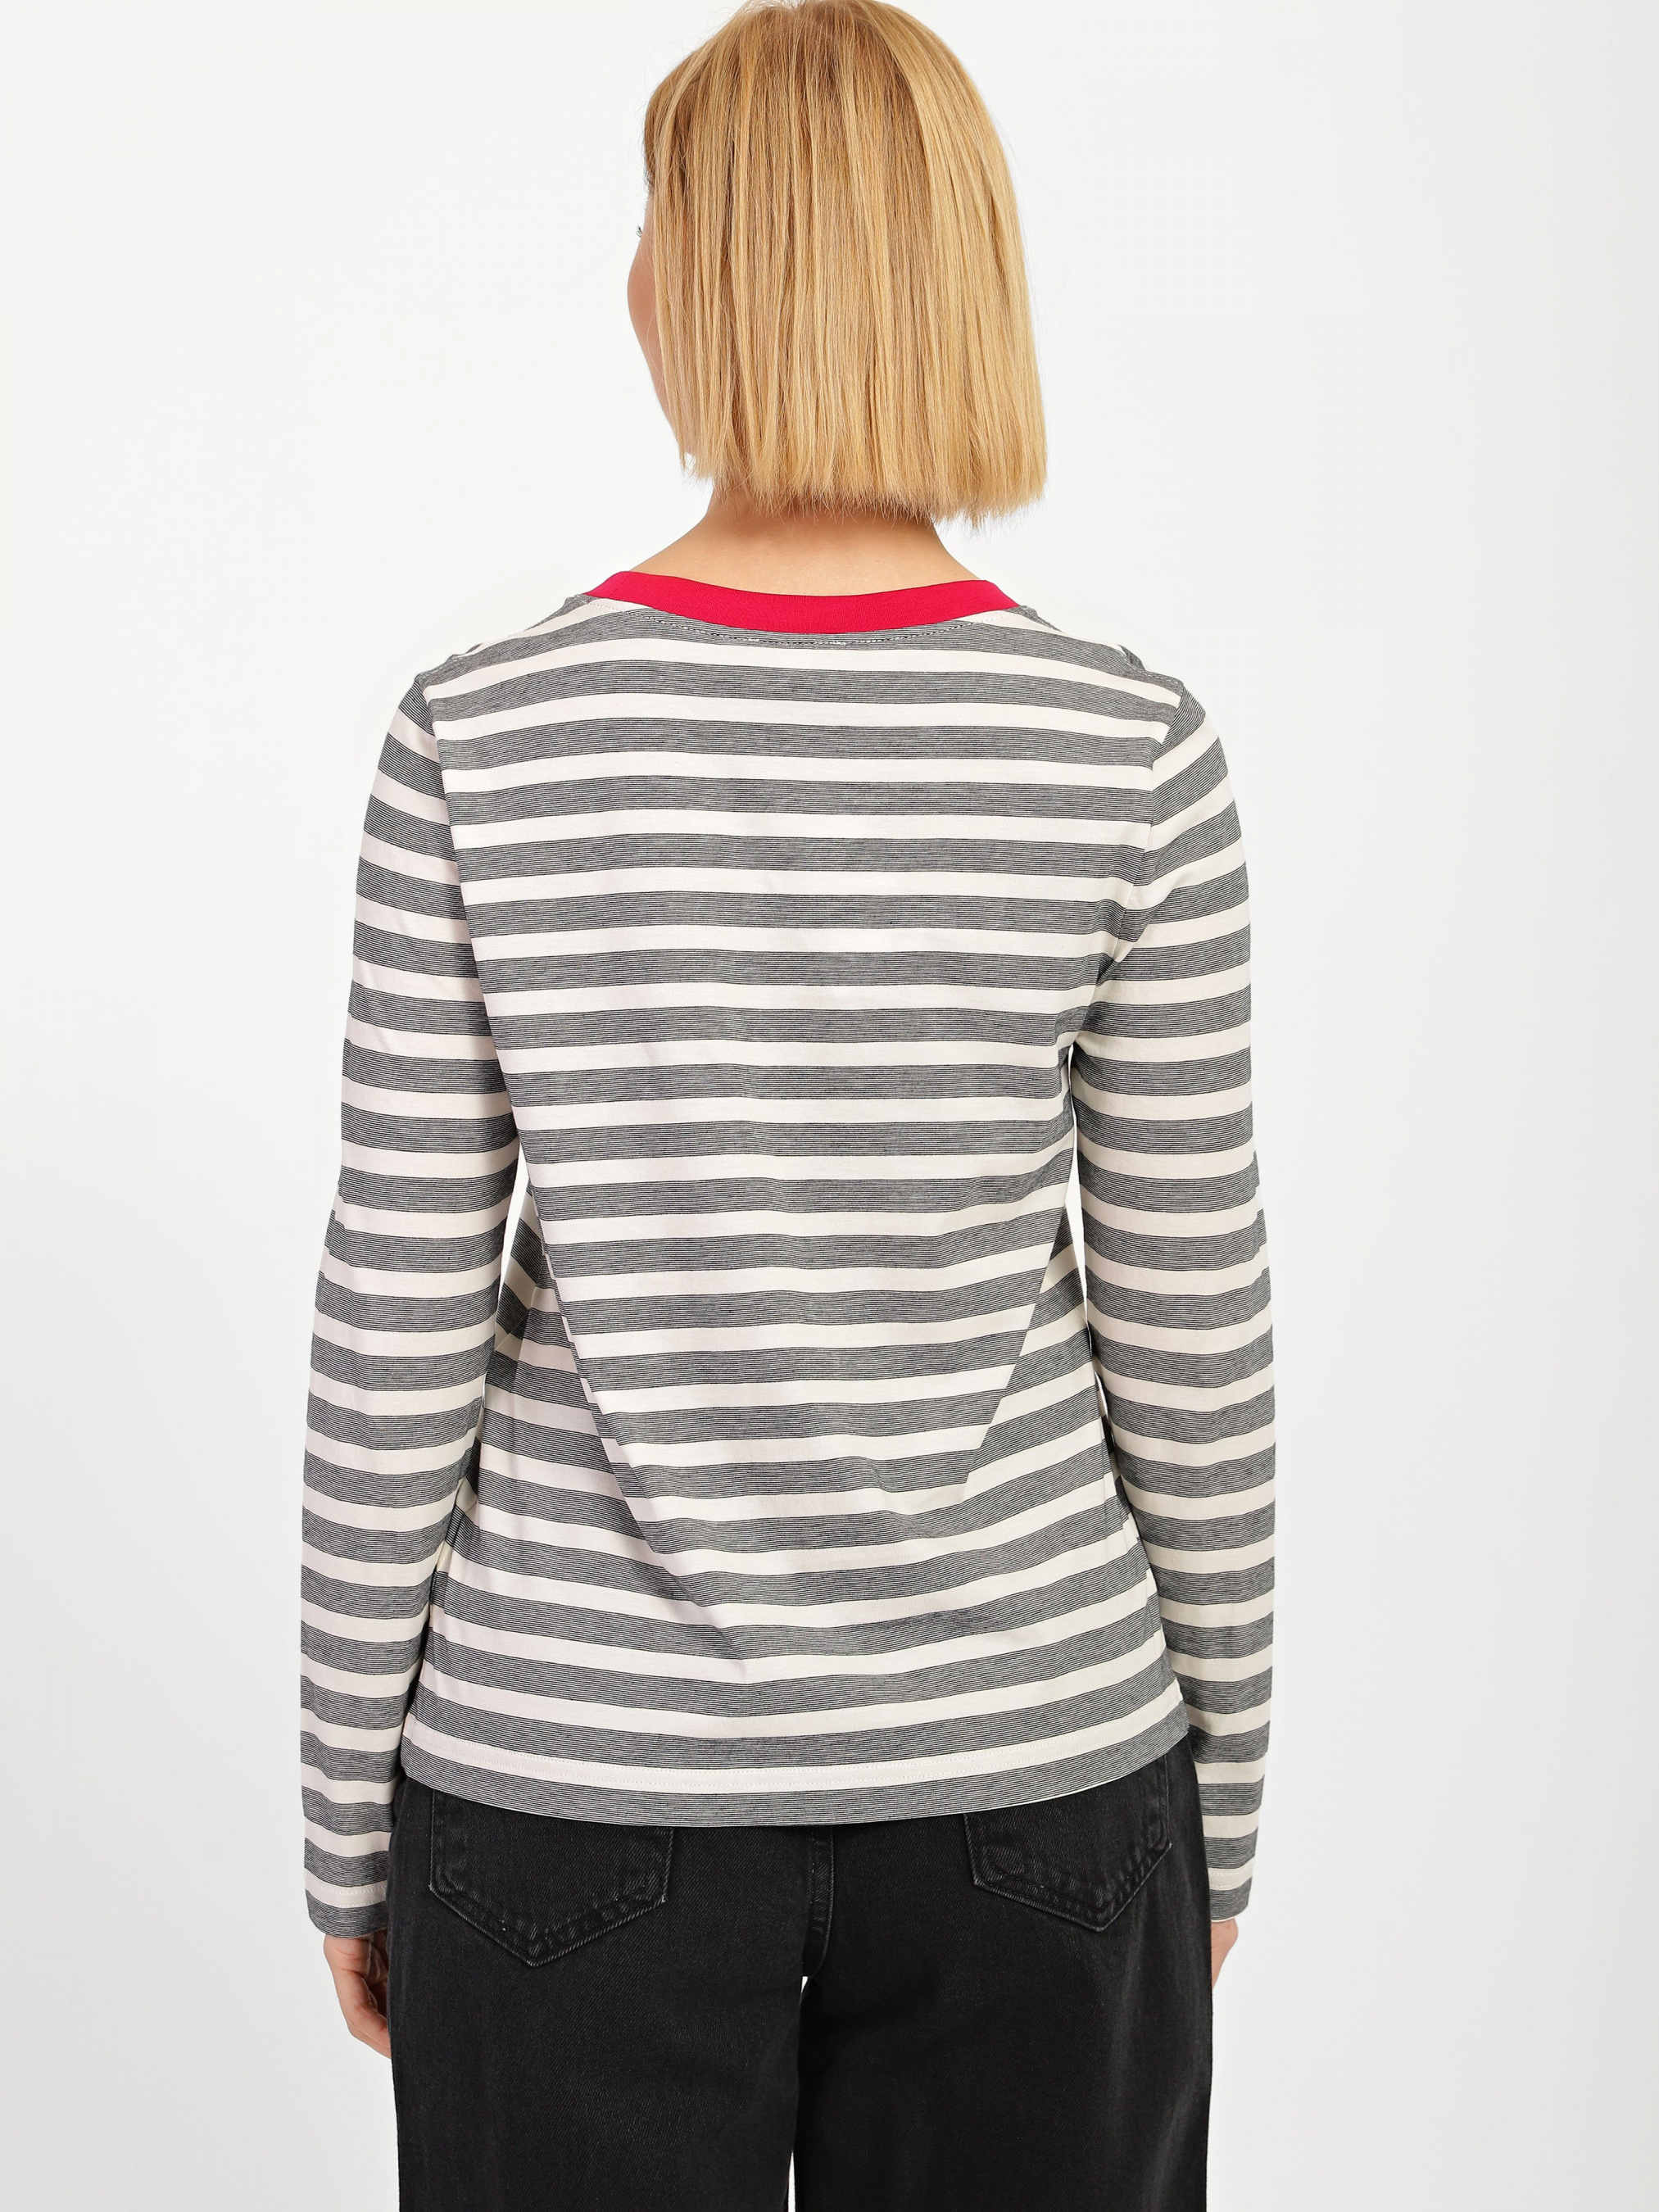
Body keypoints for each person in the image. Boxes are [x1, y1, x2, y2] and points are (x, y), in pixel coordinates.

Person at [301, 4, 1274, 2205]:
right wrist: (1218, 1800)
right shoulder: (1127, 749)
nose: (630, 269)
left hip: (566, 1794)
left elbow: (398, 1322)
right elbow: (1190, 1327)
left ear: (708, 281)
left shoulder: (483, 736)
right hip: (1040, 1778)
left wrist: (346, 1804)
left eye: (652, 220)